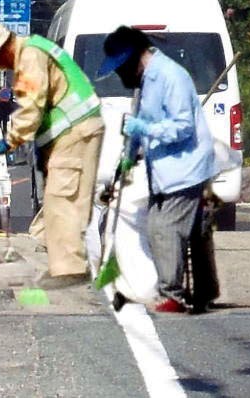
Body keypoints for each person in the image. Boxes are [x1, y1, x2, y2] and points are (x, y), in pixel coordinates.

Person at [0, 22, 104, 289]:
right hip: (78, 128)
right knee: (65, 196)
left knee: (62, 197)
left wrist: (10, 141)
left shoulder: (30, 56)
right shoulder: (35, 49)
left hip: (75, 129)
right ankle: (44, 250)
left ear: (2, 50)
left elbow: (32, 107)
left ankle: (69, 269)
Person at [97, 25, 217, 314]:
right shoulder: (146, 83)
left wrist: (145, 128)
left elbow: (183, 126)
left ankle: (172, 296)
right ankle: (203, 290)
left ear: (132, 59)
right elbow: (138, 128)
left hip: (185, 168)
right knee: (182, 231)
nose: (118, 75)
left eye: (119, 68)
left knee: (162, 229)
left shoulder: (170, 76)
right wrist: (126, 160)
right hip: (165, 171)